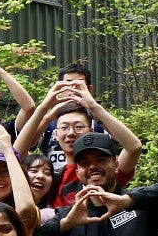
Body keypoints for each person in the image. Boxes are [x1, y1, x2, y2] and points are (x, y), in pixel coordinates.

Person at [14, 78, 142, 207]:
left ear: (91, 131)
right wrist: (44, 111)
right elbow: (14, 157)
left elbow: (134, 147)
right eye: (64, 128)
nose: (71, 133)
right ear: (56, 134)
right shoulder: (51, 177)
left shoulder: (105, 168)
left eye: (78, 127)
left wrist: (94, 108)